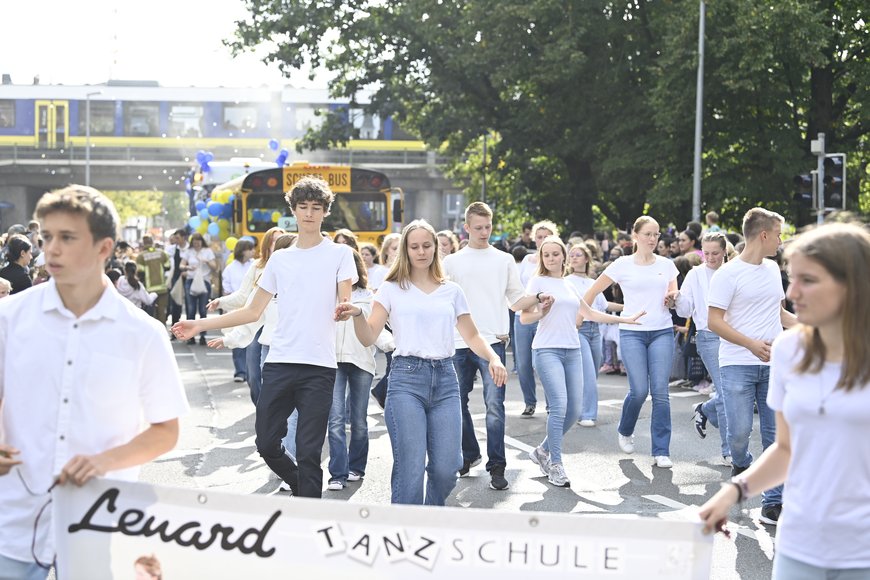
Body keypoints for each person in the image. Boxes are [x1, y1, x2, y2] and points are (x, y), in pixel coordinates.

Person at [0, 185, 188, 578]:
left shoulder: (144, 333)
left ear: (104, 248)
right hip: (12, 524)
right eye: (46, 237)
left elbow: (165, 430)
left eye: (67, 238)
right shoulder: (9, 317)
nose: (50, 249)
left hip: (102, 522)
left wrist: (103, 462)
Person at [699, 222, 870, 578]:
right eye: (792, 278)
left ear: (850, 284)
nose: (792, 292)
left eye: (807, 280)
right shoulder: (789, 350)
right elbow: (786, 448)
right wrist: (732, 492)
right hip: (799, 543)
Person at [172, 177, 356, 499]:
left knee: (309, 451)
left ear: (325, 212)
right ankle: (301, 486)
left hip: (319, 366)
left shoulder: (340, 254)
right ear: (293, 210)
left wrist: (345, 308)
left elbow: (344, 295)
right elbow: (252, 310)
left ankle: (308, 515)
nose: (309, 214)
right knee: (266, 442)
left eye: (316, 208)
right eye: (303, 207)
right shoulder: (280, 259)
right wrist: (200, 324)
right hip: (280, 362)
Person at [337, 219, 506, 506]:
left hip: (445, 380)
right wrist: (356, 315)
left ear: (435, 248)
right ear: (405, 250)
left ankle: (428, 515)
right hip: (406, 381)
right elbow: (368, 337)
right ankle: (411, 534)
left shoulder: (451, 291)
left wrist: (493, 357)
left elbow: (472, 334)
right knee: (410, 469)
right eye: (414, 246)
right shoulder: (390, 289)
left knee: (447, 468)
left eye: (427, 245)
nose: (421, 251)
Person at [523, 236, 642, 486]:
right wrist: (541, 310)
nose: (552, 258)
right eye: (547, 255)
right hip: (547, 350)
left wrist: (625, 319)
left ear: (563, 256)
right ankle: (556, 464)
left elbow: (589, 313)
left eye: (556, 254)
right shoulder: (538, 282)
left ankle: (542, 451)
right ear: (542, 258)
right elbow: (525, 318)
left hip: (572, 350)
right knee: (559, 406)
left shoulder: (569, 285)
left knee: (574, 410)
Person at [443, 202, 543, 491]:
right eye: (478, 228)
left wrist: (539, 297)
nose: (484, 232)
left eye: (488, 227)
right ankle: (469, 453)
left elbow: (515, 299)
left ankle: (497, 466)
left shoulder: (504, 260)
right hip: (459, 343)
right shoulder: (451, 262)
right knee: (453, 404)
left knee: (494, 407)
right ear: (466, 227)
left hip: (494, 342)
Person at [707, 207, 798, 525]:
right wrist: (750, 344)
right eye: (778, 234)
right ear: (763, 235)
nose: (780, 240)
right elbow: (713, 322)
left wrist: (813, 329)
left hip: (774, 365)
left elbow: (780, 314)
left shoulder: (774, 269)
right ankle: (741, 463)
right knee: (740, 433)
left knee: (776, 438)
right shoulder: (727, 274)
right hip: (737, 364)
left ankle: (773, 503)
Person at [583, 216, 679, 468]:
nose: (653, 239)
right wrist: (583, 316)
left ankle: (661, 450)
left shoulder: (667, 264)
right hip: (632, 331)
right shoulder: (621, 264)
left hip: (662, 331)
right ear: (635, 236)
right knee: (638, 391)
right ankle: (625, 429)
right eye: (647, 233)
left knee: (660, 392)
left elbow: (673, 294)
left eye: (656, 234)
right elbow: (591, 293)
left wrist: (673, 299)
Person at [326, 249, 393, 491]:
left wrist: (391, 344)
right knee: (335, 420)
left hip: (361, 363)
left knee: (359, 420)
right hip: (332, 363)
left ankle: (356, 467)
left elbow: (378, 329)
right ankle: (337, 474)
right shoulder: (327, 294)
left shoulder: (370, 297)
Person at [667, 232, 732, 465]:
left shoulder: (733, 271)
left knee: (734, 392)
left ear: (725, 251)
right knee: (727, 392)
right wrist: (676, 300)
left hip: (736, 338)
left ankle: (705, 409)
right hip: (708, 336)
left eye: (715, 253)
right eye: (706, 253)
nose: (711, 258)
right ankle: (729, 450)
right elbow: (685, 310)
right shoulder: (696, 274)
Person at [208, 228, 284, 405]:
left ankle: (272, 415)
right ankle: (262, 409)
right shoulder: (257, 266)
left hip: (280, 328)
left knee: (275, 377)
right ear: (267, 245)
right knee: (254, 375)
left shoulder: (294, 267)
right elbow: (243, 296)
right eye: (274, 241)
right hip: (257, 325)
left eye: (282, 241)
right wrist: (221, 302)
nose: (278, 245)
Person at [566, 242, 623, 427]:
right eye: (571, 254)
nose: (574, 257)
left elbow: (605, 306)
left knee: (593, 371)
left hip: (596, 331)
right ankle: (587, 414)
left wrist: (630, 308)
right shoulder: (566, 281)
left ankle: (575, 406)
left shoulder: (593, 283)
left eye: (578, 254)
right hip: (578, 330)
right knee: (589, 373)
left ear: (587, 258)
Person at [515, 220, 560, 416]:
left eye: (546, 236)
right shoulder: (526, 260)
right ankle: (529, 402)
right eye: (539, 237)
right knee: (524, 363)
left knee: (545, 362)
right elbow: (517, 288)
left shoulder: (555, 261)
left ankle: (552, 403)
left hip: (547, 316)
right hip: (524, 316)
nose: (542, 240)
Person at [222, 239, 256, 383]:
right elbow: (227, 288)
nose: (253, 251)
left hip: (253, 306)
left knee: (251, 341)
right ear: (243, 251)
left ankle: (250, 372)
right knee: (236, 339)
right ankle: (240, 371)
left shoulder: (255, 265)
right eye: (250, 249)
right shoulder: (230, 268)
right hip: (236, 308)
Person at [179, 233, 216, 345]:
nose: (196, 243)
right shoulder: (188, 251)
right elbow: (181, 265)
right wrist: (187, 267)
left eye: (198, 241)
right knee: (191, 310)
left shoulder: (207, 251)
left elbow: (214, 267)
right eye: (194, 241)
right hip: (191, 281)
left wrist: (206, 261)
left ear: (202, 241)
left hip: (204, 281)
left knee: (203, 310)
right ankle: (190, 336)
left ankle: (203, 336)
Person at [135, 235, 170, 325]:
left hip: (149, 290)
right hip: (162, 288)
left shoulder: (141, 256)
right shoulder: (162, 253)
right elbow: (167, 266)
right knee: (161, 312)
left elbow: (140, 272)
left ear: (143, 243)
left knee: (151, 314)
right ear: (152, 242)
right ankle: (164, 334)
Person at [166, 229, 189, 331]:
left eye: (178, 238)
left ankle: (189, 329)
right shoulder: (172, 249)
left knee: (189, 305)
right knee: (175, 304)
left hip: (188, 278)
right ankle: (175, 329)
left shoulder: (190, 249)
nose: (176, 240)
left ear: (184, 238)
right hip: (176, 279)